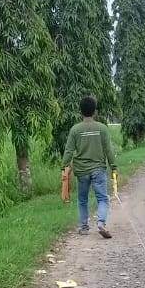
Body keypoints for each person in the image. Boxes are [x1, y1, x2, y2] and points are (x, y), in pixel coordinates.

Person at [62, 96, 117, 239]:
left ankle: (84, 227)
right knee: (102, 198)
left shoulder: (75, 130)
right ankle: (101, 223)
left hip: (81, 170)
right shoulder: (102, 128)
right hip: (98, 169)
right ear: (95, 111)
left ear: (80, 112)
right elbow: (108, 150)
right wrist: (113, 166)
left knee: (82, 199)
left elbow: (69, 151)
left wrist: (64, 167)